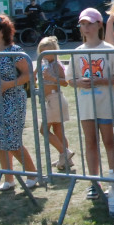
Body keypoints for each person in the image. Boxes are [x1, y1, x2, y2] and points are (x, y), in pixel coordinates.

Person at [70, 8, 114, 200]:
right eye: (82, 24)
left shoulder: (109, 49)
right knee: (90, 142)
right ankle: (94, 182)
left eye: (89, 23)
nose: (86, 27)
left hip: (106, 103)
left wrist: (101, 81)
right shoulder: (77, 52)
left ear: (99, 24)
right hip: (86, 105)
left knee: (109, 142)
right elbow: (70, 79)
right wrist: (78, 82)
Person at [0, 13, 38, 191]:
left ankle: (32, 174)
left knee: (12, 140)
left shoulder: (15, 51)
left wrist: (7, 84)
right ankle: (9, 179)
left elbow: (28, 74)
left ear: (2, 31)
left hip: (13, 100)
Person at [37, 36, 74, 172]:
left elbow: (65, 82)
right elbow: (34, 74)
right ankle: (65, 159)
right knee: (58, 130)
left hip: (55, 98)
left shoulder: (57, 64)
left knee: (44, 130)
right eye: (42, 53)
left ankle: (65, 152)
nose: (44, 56)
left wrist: (51, 78)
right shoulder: (43, 63)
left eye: (47, 53)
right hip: (50, 99)